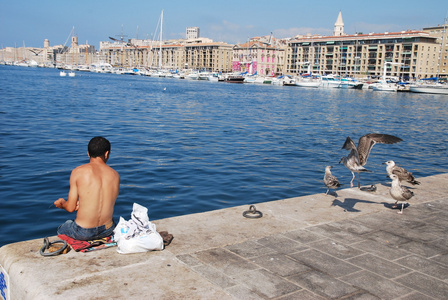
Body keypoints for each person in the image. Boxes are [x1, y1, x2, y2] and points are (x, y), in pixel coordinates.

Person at [54, 137, 120, 240]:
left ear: (88, 154)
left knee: (64, 227)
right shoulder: (115, 175)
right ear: (107, 154)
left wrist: (62, 204)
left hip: (84, 232)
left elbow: (70, 208)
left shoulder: (78, 172)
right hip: (108, 230)